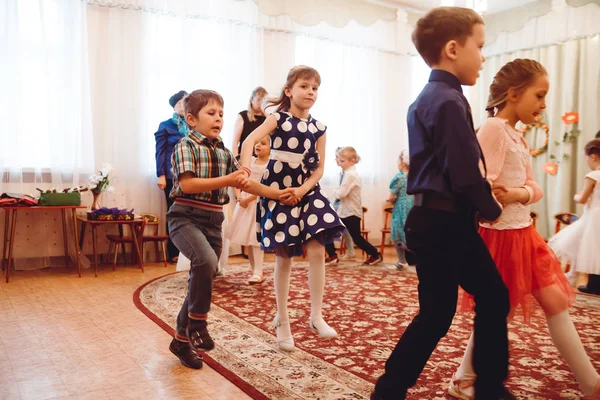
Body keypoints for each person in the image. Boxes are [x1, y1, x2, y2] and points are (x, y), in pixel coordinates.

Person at [371, 7, 513, 400]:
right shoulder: (448, 100)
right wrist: (494, 209)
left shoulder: (431, 97)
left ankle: (391, 389)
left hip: (434, 221)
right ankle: (487, 387)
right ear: (453, 48)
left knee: (442, 312)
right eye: (480, 47)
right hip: (443, 223)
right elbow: (464, 173)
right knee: (478, 300)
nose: (484, 57)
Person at [450, 59, 600, 400]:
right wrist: (500, 197)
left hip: (524, 233)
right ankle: (462, 378)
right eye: (540, 95)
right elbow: (479, 185)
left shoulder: (516, 134)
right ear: (515, 93)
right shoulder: (493, 129)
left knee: (555, 302)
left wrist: (517, 194)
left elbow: (535, 188)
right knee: (496, 311)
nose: (544, 104)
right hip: (499, 236)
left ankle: (590, 384)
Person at [167, 89, 283, 369]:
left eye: (221, 113)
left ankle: (181, 341)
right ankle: (199, 323)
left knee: (207, 272)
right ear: (191, 119)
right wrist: (229, 179)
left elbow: (244, 183)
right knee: (205, 261)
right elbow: (187, 185)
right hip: (185, 217)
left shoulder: (223, 151)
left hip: (213, 220)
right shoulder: (186, 146)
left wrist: (278, 193)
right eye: (211, 113)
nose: (218, 118)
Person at [240, 65, 345, 352]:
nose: (311, 91)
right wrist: (247, 168)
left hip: (306, 191)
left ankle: (315, 315)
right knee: (284, 257)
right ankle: (282, 320)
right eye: (304, 86)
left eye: (315, 87)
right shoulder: (278, 118)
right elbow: (249, 140)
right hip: (278, 189)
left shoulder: (319, 128)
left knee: (317, 247)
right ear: (289, 91)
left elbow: (320, 168)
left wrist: (302, 189)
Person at [549, 138, 600, 296]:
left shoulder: (593, 175)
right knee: (595, 248)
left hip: (594, 215)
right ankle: (590, 282)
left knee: (588, 245)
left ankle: (587, 282)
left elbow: (583, 198)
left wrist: (576, 196)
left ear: (593, 156)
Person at [325, 147, 383, 265]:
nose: (339, 163)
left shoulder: (351, 175)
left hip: (350, 212)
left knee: (356, 238)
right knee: (327, 230)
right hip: (344, 211)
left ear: (352, 161)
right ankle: (332, 255)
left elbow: (341, 194)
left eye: (342, 161)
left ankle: (375, 254)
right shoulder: (346, 173)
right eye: (339, 160)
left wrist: (335, 190)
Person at [224, 137, 271, 284]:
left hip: (258, 203)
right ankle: (255, 271)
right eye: (257, 142)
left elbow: (266, 188)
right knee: (249, 240)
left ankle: (258, 271)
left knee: (256, 239)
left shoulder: (270, 164)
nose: (258, 145)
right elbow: (237, 179)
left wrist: (247, 199)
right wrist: (239, 197)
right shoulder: (249, 161)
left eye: (263, 143)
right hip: (244, 203)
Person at [154, 90, 188, 263]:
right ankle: (174, 252)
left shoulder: (194, 124)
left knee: (190, 214)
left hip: (191, 176)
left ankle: (189, 251)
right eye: (181, 103)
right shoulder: (166, 125)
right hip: (171, 176)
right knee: (174, 213)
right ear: (174, 106)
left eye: (186, 102)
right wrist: (161, 174)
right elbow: (160, 151)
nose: (184, 106)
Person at [386, 150, 414, 269]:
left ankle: (402, 261)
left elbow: (391, 197)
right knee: (410, 232)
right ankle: (413, 258)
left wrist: (391, 200)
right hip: (413, 205)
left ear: (402, 163)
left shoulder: (399, 178)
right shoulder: (415, 176)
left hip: (401, 206)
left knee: (398, 232)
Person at [232, 86, 268, 157]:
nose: (261, 103)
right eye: (258, 100)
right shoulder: (243, 116)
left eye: (263, 101)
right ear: (251, 100)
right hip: (244, 156)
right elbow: (235, 142)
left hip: (262, 158)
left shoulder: (267, 118)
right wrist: (236, 158)